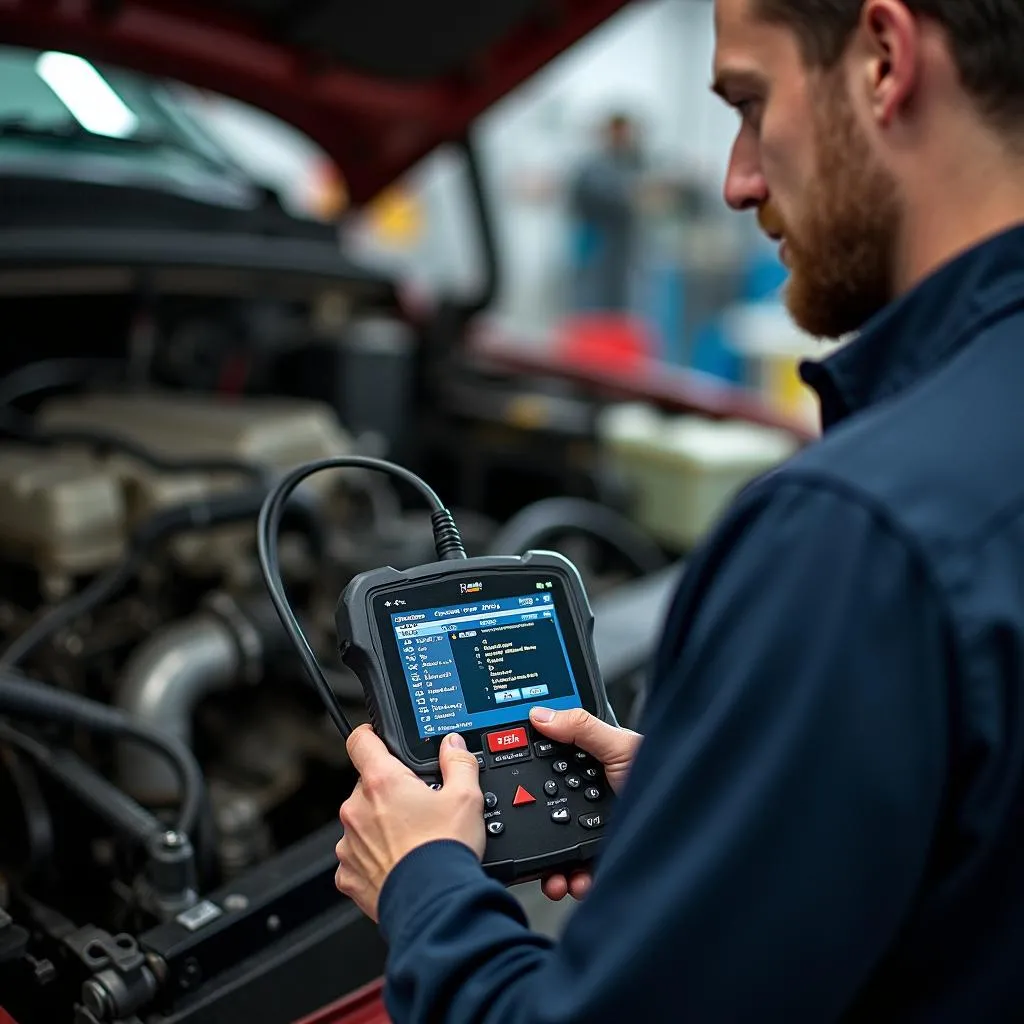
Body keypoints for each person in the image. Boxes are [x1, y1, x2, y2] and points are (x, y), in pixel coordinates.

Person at [333, 0, 1024, 1019]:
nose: (737, 179)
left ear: (884, 59)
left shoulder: (852, 536)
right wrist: (738, 788)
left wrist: (424, 882)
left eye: (750, 101)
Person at [567, 112, 645, 312]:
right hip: (596, 248)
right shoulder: (593, 168)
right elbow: (614, 195)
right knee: (592, 305)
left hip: (624, 253)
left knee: (621, 306)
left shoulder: (635, 165)